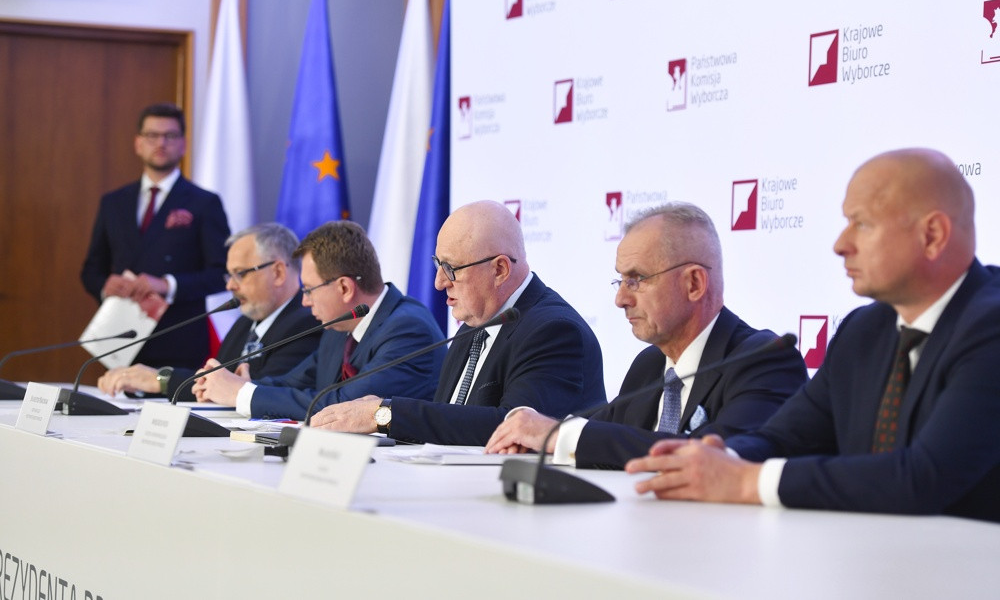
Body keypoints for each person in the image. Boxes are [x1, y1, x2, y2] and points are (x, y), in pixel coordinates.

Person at [625, 148, 1000, 522]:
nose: (840, 244)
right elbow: (785, 437)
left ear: (932, 235)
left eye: (861, 224)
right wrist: (720, 458)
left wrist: (746, 481)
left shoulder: (991, 326)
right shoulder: (863, 330)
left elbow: (923, 478)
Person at [485, 202, 806, 468]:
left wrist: (560, 435)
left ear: (694, 283)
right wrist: (533, 436)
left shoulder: (765, 360)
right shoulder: (649, 365)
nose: (621, 299)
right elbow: (601, 434)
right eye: (620, 280)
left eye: (636, 279)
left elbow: (717, 457)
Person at [308, 200, 606, 445]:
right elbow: (448, 422)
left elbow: (514, 427)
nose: (439, 283)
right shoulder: (473, 327)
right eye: (438, 265)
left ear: (500, 270)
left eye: (450, 268)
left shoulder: (553, 331)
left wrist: (384, 414)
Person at [191, 220, 445, 420]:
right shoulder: (339, 328)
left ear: (344, 288)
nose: (304, 301)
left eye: (309, 290)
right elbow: (293, 383)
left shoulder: (408, 329)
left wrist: (241, 394)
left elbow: (343, 406)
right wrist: (239, 385)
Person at [81, 102, 230, 369]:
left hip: (179, 341)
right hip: (121, 339)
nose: (161, 143)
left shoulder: (204, 203)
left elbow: (222, 274)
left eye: (170, 136)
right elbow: (91, 270)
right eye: (152, 135)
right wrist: (105, 285)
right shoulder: (113, 202)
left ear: (183, 144)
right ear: (138, 143)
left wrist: (167, 284)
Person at [96, 223, 319, 400]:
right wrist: (146, 384)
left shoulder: (307, 323)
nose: (229, 285)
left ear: (278, 272)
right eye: (229, 275)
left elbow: (260, 393)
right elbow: (208, 385)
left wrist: (161, 380)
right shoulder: (244, 324)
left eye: (240, 273)